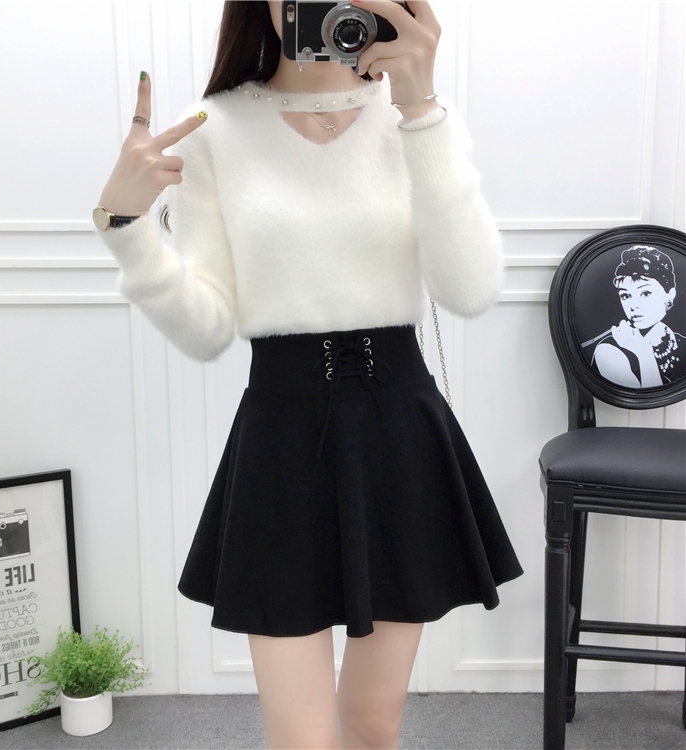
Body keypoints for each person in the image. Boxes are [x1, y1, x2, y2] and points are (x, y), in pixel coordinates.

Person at [94, 1, 523, 748]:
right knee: (301, 739)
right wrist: (127, 228)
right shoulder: (215, 127)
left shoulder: (417, 117)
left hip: (401, 431)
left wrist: (421, 108)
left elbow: (469, 289)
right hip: (282, 437)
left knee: (373, 724)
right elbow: (207, 327)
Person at [588, 244, 685, 388]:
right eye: (626, 296)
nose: (633, 305)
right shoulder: (608, 351)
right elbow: (650, 398)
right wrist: (644, 353)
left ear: (670, 294)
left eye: (645, 293)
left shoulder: (681, 342)